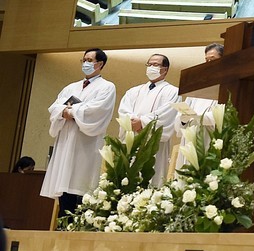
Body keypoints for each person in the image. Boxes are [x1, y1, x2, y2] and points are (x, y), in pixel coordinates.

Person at [41, 49, 117, 218]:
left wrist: (72, 111)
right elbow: (54, 107)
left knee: (81, 190)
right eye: (83, 60)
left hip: (86, 144)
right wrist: (63, 112)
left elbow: (98, 110)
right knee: (64, 190)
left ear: (100, 64)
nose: (85, 63)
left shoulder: (107, 87)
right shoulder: (71, 87)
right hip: (66, 141)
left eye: (90, 60)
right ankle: (62, 228)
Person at [117, 53, 179, 187]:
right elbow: (123, 111)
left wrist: (142, 122)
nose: (151, 67)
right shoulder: (134, 91)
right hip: (132, 139)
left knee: (151, 180)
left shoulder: (172, 92)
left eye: (156, 65)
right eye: (149, 64)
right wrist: (132, 122)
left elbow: (167, 114)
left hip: (154, 146)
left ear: (165, 69)